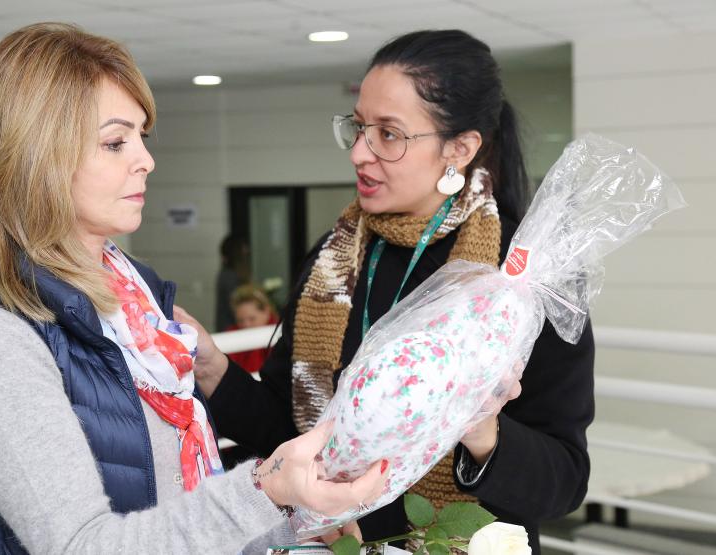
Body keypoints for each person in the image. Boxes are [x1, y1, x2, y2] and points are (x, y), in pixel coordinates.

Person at [0, 23, 388, 555]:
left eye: (142, 137)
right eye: (115, 142)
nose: (146, 160)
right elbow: (84, 547)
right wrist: (267, 493)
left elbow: (172, 505)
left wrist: (294, 522)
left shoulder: (134, 300)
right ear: (37, 157)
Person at [191, 30, 595, 553]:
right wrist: (212, 369)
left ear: (460, 148)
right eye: (359, 127)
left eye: (389, 134)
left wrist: (482, 432)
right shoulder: (334, 259)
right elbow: (287, 426)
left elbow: (565, 481)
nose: (360, 152)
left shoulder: (521, 276)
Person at [226, 285, 280, 373]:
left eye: (252, 319)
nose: (246, 325)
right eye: (240, 320)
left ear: (266, 312)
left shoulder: (280, 334)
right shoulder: (230, 336)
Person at [216, 234, 251, 331]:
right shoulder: (229, 276)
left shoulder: (229, 274)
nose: (247, 251)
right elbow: (235, 305)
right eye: (243, 247)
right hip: (231, 328)